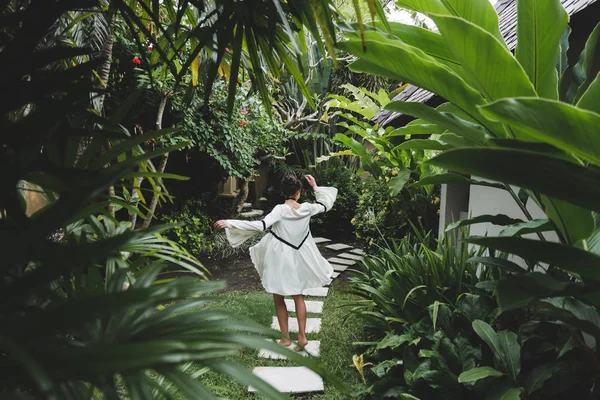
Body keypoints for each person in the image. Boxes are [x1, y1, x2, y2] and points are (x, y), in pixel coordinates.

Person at [214, 174, 337, 351]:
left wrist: (230, 222)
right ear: (298, 192)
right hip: (300, 255)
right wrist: (316, 186)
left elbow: (261, 225)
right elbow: (326, 204)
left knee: (278, 296)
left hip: (280, 257)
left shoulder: (280, 209)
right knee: (298, 295)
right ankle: (302, 338)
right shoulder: (307, 208)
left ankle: (286, 339)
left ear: (283, 192)